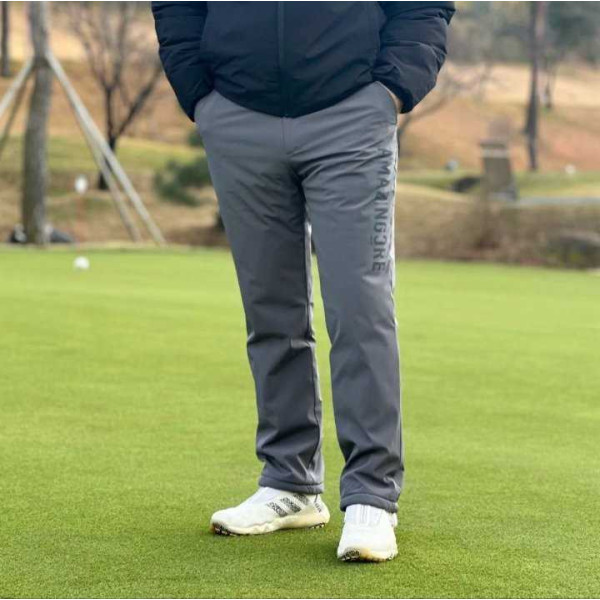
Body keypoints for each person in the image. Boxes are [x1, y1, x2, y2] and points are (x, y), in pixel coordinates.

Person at [152, 1, 454, 562]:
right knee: (270, 308)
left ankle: (371, 497)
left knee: (359, 307)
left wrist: (392, 88)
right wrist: (198, 92)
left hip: (351, 111)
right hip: (236, 114)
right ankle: (289, 481)